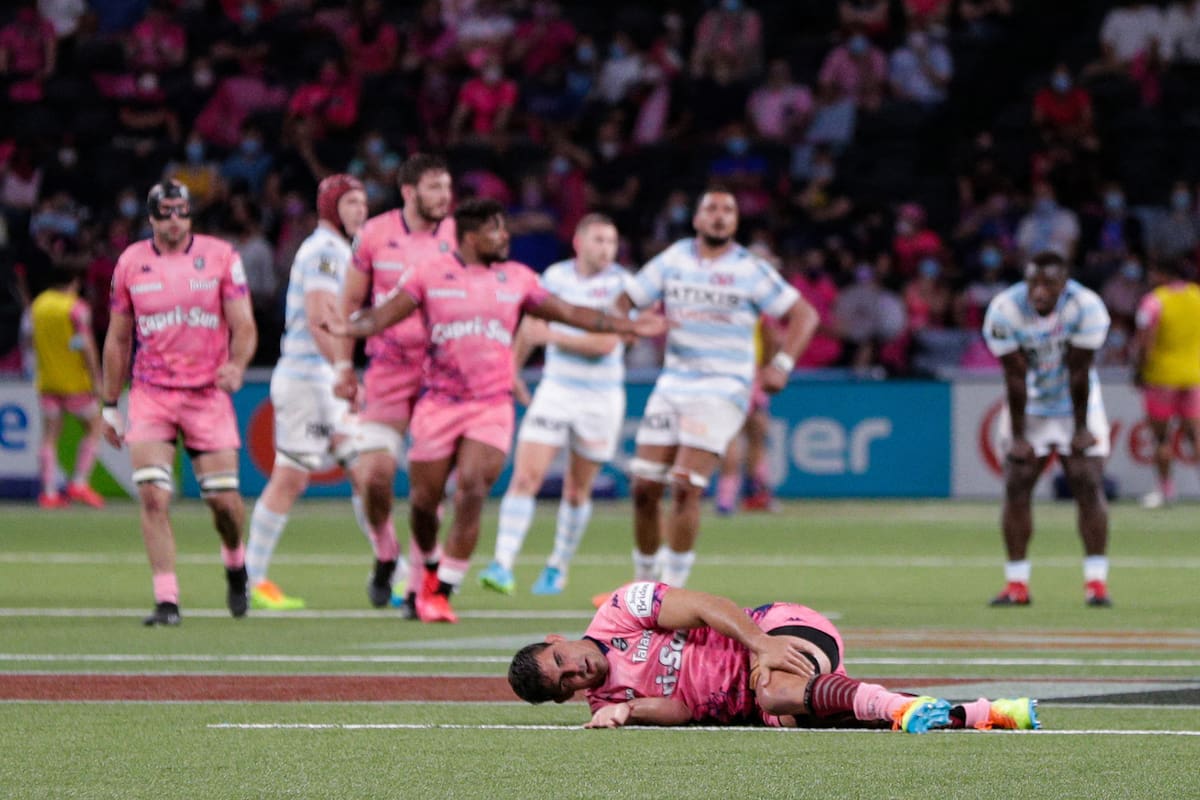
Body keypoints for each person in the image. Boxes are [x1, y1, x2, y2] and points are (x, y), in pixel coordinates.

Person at [323, 198, 666, 623]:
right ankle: (428, 570)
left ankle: (442, 589)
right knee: (425, 503)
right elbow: (382, 316)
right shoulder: (430, 275)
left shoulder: (518, 279)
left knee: (471, 490)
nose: (505, 236)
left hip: (491, 406)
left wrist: (627, 326)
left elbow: (572, 313)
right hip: (438, 403)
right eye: (495, 229)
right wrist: (348, 327)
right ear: (470, 237)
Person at [612, 189, 818, 591]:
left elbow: (804, 314)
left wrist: (783, 363)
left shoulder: (749, 268)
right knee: (643, 488)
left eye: (728, 210)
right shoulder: (673, 259)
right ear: (696, 219)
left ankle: (670, 591)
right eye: (711, 209)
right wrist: (630, 329)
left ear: (736, 222)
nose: (719, 216)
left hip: (725, 387)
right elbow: (623, 302)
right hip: (672, 384)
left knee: (686, 486)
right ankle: (643, 585)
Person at [509, 581, 1039, 732]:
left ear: (558, 638)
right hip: (766, 703)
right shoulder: (606, 703)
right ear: (565, 698)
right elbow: (685, 711)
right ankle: (983, 713)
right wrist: (628, 710)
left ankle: (906, 708)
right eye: (564, 685)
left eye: (561, 661)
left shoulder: (621, 610)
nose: (574, 672)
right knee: (798, 712)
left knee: (773, 690)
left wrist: (760, 645)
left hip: (777, 628)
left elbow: (708, 607)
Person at [100, 180, 258, 626]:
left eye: (182, 212)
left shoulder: (222, 256)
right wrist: (111, 403)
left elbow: (243, 325)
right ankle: (167, 600)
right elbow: (117, 337)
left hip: (207, 393)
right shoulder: (131, 262)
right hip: (151, 393)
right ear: (151, 218)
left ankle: (235, 562)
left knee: (224, 505)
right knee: (153, 495)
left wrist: (238, 365)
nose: (174, 220)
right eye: (165, 213)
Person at [478, 214, 630, 596]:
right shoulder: (554, 279)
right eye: (599, 240)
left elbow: (607, 343)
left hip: (601, 397)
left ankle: (557, 566)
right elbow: (530, 327)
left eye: (611, 242)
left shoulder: (623, 286)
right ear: (578, 242)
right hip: (556, 390)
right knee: (525, 477)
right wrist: (510, 369)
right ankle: (502, 564)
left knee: (578, 490)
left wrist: (554, 336)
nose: (606, 248)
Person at [243, 174, 375, 611]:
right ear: (331, 208)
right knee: (292, 477)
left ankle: (388, 570)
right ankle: (251, 580)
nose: (361, 210)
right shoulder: (324, 251)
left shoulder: (341, 250)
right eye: (351, 203)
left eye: (362, 202)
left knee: (364, 473)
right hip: (309, 377)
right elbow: (321, 317)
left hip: (322, 378)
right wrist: (342, 369)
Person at [332, 154, 456, 612]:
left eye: (448, 187)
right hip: (386, 370)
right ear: (409, 192)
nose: (445, 197)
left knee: (429, 490)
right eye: (435, 188)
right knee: (374, 478)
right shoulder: (375, 235)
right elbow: (349, 301)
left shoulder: (460, 236)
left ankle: (420, 584)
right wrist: (344, 367)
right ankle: (386, 553)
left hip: (439, 376)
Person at [982, 251, 1113, 608]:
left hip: (1077, 402)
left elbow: (1079, 372)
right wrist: (1021, 436)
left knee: (1086, 479)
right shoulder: (1004, 310)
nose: (1039, 292)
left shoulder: (1087, 307)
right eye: (1033, 283)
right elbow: (1014, 376)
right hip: (1030, 404)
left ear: (1064, 284)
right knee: (1017, 482)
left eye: (1048, 284)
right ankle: (1017, 585)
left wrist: (1082, 429)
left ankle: (1096, 584)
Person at [27, 265, 105, 509]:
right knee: (94, 428)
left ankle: (49, 493)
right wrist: (96, 379)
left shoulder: (38, 304)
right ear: (74, 281)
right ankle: (79, 483)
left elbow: (30, 340)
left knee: (49, 436)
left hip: (48, 380)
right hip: (75, 383)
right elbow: (86, 345)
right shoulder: (76, 308)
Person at [1131, 258, 1200, 509]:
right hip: (1193, 375)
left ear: (1163, 274)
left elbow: (1145, 341)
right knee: (1196, 436)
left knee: (1161, 439)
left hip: (1161, 377)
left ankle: (1166, 489)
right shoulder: (1197, 296)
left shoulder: (1154, 302)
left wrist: (1139, 370)